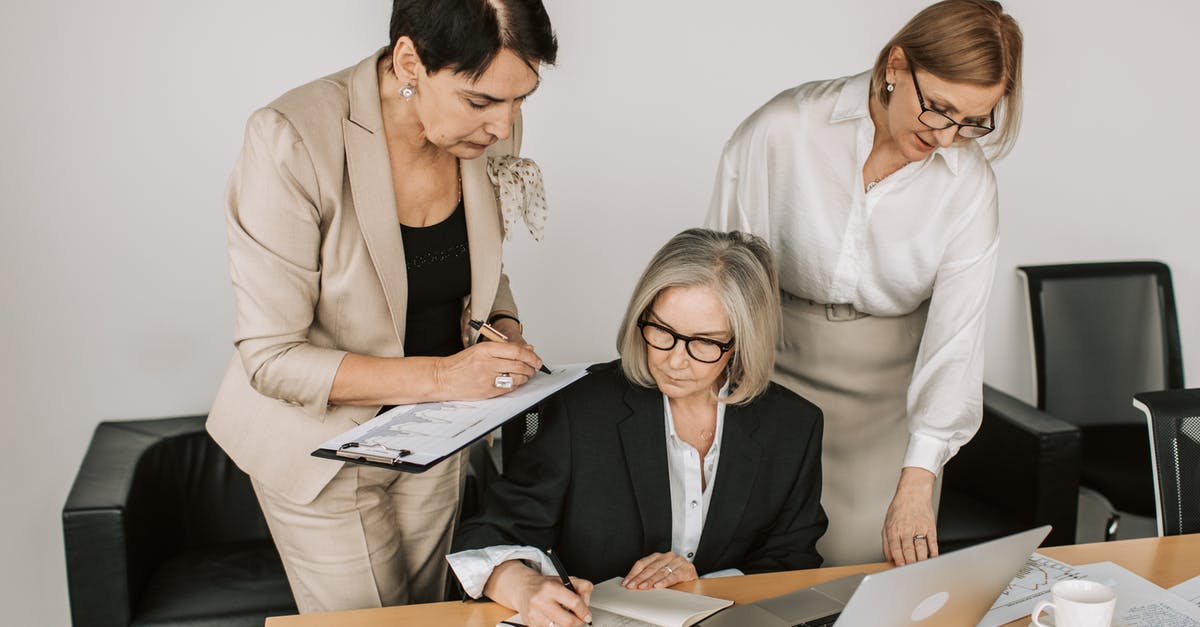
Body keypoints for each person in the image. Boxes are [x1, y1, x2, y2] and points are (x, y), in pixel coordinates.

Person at [206, 0, 558, 613]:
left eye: (521, 99)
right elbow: (272, 358)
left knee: (430, 616)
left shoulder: (487, 130)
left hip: (438, 436)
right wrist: (445, 376)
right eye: (480, 101)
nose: (504, 127)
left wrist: (503, 330)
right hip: (321, 449)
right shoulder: (291, 139)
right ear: (409, 61)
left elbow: (479, 268)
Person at [707, 0, 1023, 567]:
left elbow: (957, 340)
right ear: (896, 66)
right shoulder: (784, 129)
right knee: (750, 560)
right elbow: (723, 274)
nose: (948, 136)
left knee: (866, 571)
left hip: (888, 403)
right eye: (939, 109)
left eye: (973, 121)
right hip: (768, 369)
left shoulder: (970, 185)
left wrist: (919, 477)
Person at [447, 229, 828, 627]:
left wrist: (703, 584)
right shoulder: (578, 408)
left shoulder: (793, 426)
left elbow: (793, 559)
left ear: (742, 341)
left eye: (704, 343)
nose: (675, 361)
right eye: (662, 331)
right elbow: (485, 536)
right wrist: (522, 586)